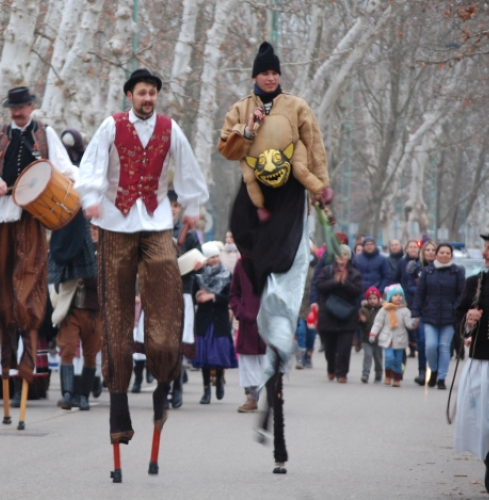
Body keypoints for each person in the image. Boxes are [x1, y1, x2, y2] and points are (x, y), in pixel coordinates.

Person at [75, 68, 208, 481]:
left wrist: (191, 207)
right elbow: (91, 166)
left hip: (154, 224)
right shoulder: (111, 126)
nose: (148, 99)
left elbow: (187, 171)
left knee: (167, 292)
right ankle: (118, 408)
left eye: (153, 93)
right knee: (115, 314)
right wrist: (92, 200)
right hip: (115, 224)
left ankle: (164, 377)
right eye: (142, 93)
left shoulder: (170, 129)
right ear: (129, 94)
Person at [217, 41, 331, 474]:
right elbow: (226, 149)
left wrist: (320, 188)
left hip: (289, 201)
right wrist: (247, 130)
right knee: (252, 264)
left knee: (283, 273)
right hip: (254, 199)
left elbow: (314, 145)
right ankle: (270, 344)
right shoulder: (241, 108)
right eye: (264, 73)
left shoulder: (296, 105)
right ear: (255, 76)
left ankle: (279, 351)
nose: (270, 78)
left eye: (275, 73)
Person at [0, 86, 77, 428]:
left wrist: (56, 185)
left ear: (31, 106)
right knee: (3, 289)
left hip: (33, 220)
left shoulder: (46, 134)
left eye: (21, 108)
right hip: (3, 218)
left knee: (29, 291)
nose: (16, 114)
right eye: (13, 109)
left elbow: (67, 169)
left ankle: (27, 364)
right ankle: (5, 363)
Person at [453, 228, 489, 499]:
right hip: (480, 363)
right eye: (485, 247)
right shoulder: (475, 282)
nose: (485, 253)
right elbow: (459, 317)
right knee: (485, 425)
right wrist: (468, 320)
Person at [50, 217, 101, 411]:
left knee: (90, 355)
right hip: (72, 310)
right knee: (68, 350)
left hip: (93, 312)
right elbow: (60, 274)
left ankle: (83, 396)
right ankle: (68, 394)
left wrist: (85, 275)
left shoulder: (104, 253)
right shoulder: (74, 248)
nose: (93, 231)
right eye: (90, 228)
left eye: (96, 228)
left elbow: (103, 283)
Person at [411, 243, 465, 390]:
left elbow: (462, 293)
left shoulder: (457, 271)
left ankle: (441, 377)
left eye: (447, 253)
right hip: (430, 315)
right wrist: (415, 312)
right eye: (441, 252)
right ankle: (433, 369)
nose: (444, 255)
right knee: (431, 346)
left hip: (450, 316)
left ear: (451, 255)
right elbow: (419, 293)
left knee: (444, 346)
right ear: (436, 254)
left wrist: (455, 308)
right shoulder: (428, 272)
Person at [193, 242, 237, 404]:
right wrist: (198, 294)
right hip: (204, 319)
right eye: (211, 257)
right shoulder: (198, 275)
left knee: (218, 354)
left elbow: (231, 297)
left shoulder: (226, 275)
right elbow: (192, 296)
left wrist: (213, 297)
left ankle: (219, 379)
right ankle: (206, 390)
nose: (215, 259)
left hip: (219, 320)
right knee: (204, 357)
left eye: (217, 256)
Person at [171, 190, 203, 408]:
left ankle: (176, 388)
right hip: (161, 292)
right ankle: (165, 385)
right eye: (169, 205)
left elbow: (200, 258)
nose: (172, 209)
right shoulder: (155, 230)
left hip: (184, 289)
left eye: (175, 206)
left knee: (180, 342)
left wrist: (199, 263)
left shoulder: (189, 233)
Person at [315, 244, 364, 383]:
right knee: (329, 347)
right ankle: (331, 368)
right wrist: (335, 281)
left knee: (344, 347)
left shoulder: (354, 273)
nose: (341, 258)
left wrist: (345, 283)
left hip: (347, 315)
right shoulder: (327, 270)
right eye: (338, 255)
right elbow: (319, 286)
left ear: (348, 257)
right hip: (328, 314)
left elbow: (357, 291)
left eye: (344, 255)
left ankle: (342, 373)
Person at [230, 258, 266, 412]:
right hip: (248, 321)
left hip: (270, 320)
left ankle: (274, 396)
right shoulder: (241, 263)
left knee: (270, 361)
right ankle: (251, 398)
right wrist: (240, 311)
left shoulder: (275, 260)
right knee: (247, 361)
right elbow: (233, 293)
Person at [369, 285, 416, 387]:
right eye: (395, 295)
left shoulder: (405, 311)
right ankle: (388, 375)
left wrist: (413, 323)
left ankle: (397, 378)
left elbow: (408, 324)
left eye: (400, 295)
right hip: (388, 338)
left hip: (400, 338)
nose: (398, 297)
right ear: (390, 297)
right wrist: (373, 333)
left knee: (398, 359)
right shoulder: (384, 310)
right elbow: (378, 323)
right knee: (389, 357)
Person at [409, 240, 437, 384]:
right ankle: (422, 371)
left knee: (435, 344)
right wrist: (423, 289)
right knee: (422, 340)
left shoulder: (442, 268)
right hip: (420, 308)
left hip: (437, 309)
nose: (430, 253)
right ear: (423, 252)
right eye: (428, 250)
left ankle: (435, 371)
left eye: (433, 250)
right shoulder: (415, 268)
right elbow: (409, 286)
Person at [392, 240, 421, 357]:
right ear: (407, 249)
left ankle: (416, 343)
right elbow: (395, 278)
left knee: (416, 321)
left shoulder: (421, 262)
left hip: (419, 296)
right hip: (405, 296)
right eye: (411, 247)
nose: (413, 249)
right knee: (406, 321)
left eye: (415, 247)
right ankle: (410, 345)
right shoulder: (402, 262)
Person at [358, 286, 383, 383]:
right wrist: (361, 320)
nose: (372, 301)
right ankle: (365, 374)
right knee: (367, 355)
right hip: (366, 337)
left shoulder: (382, 310)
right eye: (370, 298)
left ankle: (379, 373)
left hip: (378, 338)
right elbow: (358, 324)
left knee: (378, 357)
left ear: (378, 299)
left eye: (374, 298)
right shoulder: (363, 309)